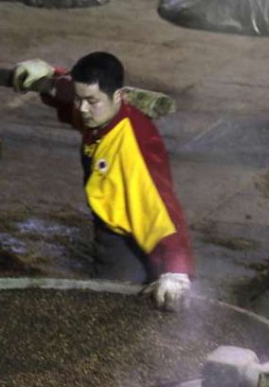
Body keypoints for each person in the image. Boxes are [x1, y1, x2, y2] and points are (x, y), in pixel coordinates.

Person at [12, 51, 195, 311]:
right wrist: (50, 77)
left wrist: (176, 271)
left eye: (90, 101)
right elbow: (70, 95)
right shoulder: (99, 112)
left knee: (117, 308)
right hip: (107, 222)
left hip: (130, 236)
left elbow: (162, 210)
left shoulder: (133, 148)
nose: (82, 109)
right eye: (79, 99)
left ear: (118, 96)